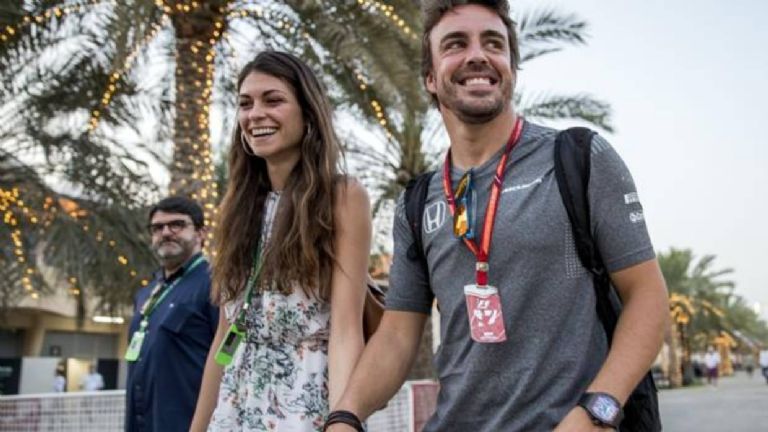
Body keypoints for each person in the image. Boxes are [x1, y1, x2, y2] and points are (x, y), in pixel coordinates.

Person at [326, 1, 669, 431]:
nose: (477, 55)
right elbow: (397, 334)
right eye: (455, 44)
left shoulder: (580, 158)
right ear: (430, 78)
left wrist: (595, 413)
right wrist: (345, 414)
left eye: (493, 43)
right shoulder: (418, 202)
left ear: (511, 69)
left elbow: (647, 297)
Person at [190, 51, 372, 431]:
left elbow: (345, 331)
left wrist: (342, 421)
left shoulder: (342, 197)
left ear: (308, 113)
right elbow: (224, 338)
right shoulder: (237, 209)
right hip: (235, 410)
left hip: (305, 408)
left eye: (273, 100)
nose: (255, 114)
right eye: (245, 104)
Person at [125, 196, 218, 431]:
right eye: (157, 228)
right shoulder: (147, 293)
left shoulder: (216, 284)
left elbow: (228, 358)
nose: (166, 232)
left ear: (201, 233)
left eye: (177, 224)